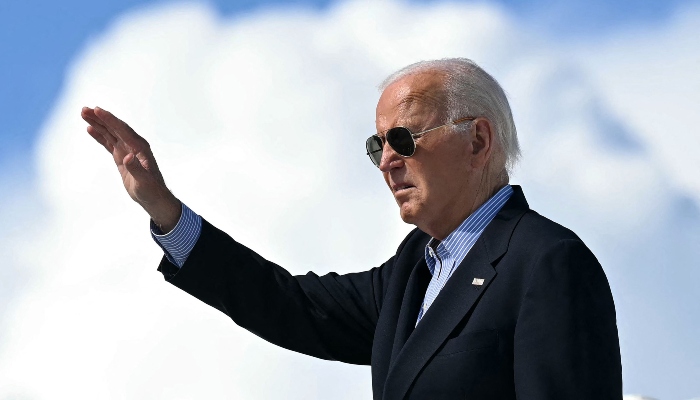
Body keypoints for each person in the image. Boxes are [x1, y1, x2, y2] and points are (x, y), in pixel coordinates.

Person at [82, 58, 622, 399]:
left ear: (478, 141)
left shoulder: (546, 261)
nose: (387, 162)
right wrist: (166, 211)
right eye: (377, 146)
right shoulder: (413, 270)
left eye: (404, 140)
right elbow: (288, 304)